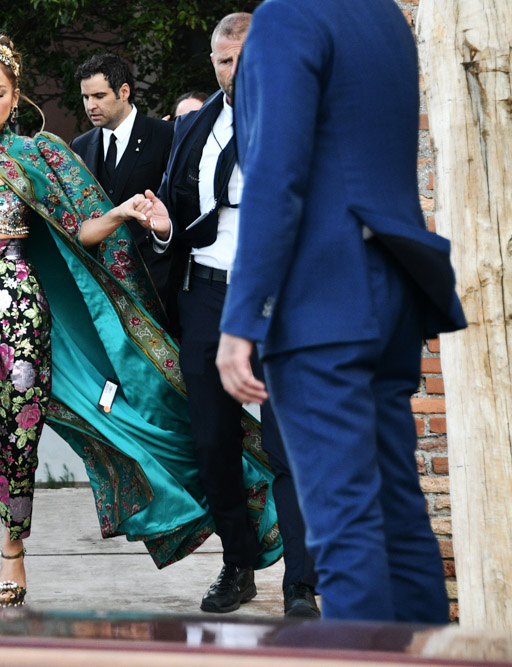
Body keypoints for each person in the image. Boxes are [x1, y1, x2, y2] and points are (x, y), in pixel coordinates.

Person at [0, 33, 282, 607]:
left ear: (16, 95)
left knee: (15, 439)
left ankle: (13, 551)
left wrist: (120, 212)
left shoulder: (42, 154)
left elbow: (84, 230)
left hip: (21, 307)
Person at [215, 0, 465, 622]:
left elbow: (276, 174)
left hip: (320, 299)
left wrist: (243, 317)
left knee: (343, 531)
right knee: (398, 521)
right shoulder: (384, 18)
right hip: (391, 292)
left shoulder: (289, 17)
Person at [145, 13, 318, 617]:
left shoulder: (301, 116)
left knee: (287, 438)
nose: (234, 70)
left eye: (245, 57)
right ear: (213, 65)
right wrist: (165, 226)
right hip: (209, 294)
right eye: (224, 60)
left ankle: (301, 580)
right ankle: (237, 564)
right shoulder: (194, 126)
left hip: (280, 295)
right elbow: (178, 206)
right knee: (212, 438)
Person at [70, 54, 174, 303]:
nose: (90, 106)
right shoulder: (80, 146)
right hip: (99, 289)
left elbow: (181, 208)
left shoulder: (166, 136)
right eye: (86, 97)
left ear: (124, 91)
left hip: (157, 285)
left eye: (99, 96)